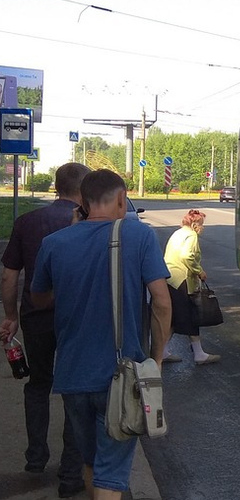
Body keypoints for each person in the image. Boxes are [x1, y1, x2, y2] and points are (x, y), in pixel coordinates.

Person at [30, 169, 172, 500]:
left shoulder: (54, 243)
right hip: (119, 376)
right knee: (112, 473)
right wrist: (158, 358)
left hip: (71, 375)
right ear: (122, 198)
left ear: (82, 203)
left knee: (92, 462)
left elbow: (38, 298)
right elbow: (162, 302)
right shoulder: (139, 236)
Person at [0, 163, 89, 498]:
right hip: (73, 320)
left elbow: (9, 276)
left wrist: (11, 316)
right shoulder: (87, 224)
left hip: (36, 317)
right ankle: (69, 474)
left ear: (55, 186)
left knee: (38, 385)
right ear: (83, 190)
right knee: (74, 392)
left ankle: (36, 458)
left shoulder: (27, 222)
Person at [163, 209, 220, 365]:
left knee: (176, 318)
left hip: (171, 279)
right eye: (201, 224)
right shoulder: (191, 235)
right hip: (182, 280)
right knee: (190, 316)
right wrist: (199, 271)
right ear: (195, 224)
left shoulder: (178, 233)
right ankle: (199, 354)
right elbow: (187, 256)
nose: (203, 227)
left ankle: (163, 351)